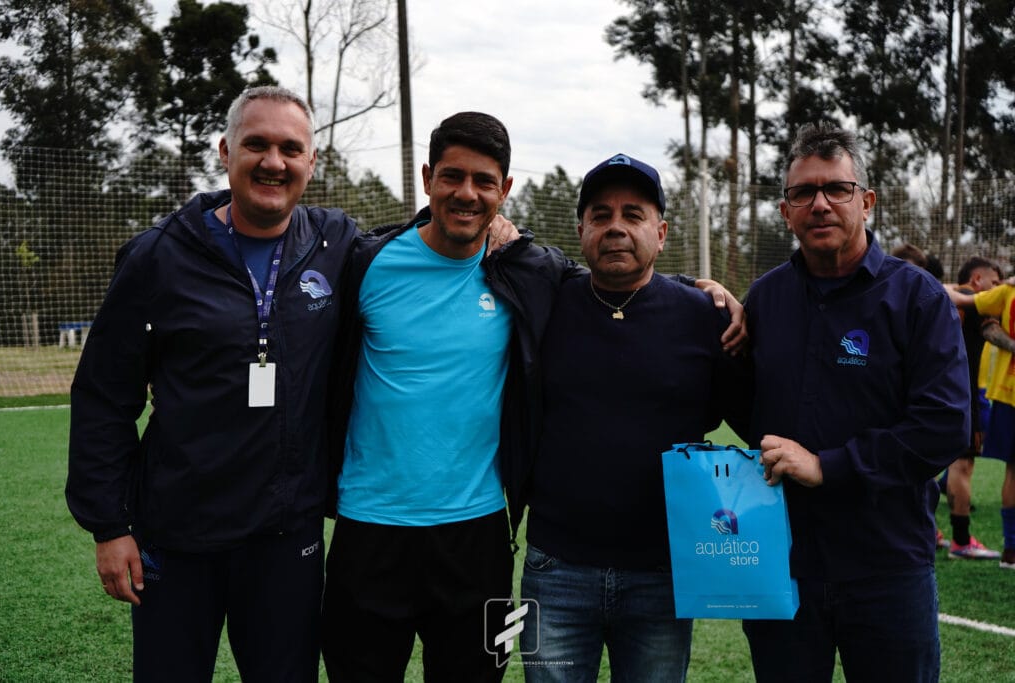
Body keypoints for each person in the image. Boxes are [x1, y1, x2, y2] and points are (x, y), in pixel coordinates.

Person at [320, 114, 746, 680]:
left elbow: (615, 281)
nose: (467, 193)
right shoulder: (366, 262)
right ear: (427, 178)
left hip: (480, 538)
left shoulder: (522, 272)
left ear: (504, 190)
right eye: (452, 176)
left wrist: (702, 290)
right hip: (374, 531)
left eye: (484, 181)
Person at [65, 86, 358, 681]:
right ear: (226, 152)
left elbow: (421, 242)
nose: (273, 162)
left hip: (285, 537)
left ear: (311, 162)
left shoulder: (337, 244)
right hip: (176, 535)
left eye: (290, 149)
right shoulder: (158, 256)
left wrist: (496, 229)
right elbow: (104, 396)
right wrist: (109, 526)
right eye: (256, 145)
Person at [742, 121, 970, 682]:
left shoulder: (917, 299)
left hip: (887, 565)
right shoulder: (765, 300)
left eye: (836, 189)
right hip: (783, 564)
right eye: (804, 192)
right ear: (785, 211)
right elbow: (735, 401)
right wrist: (701, 298)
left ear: (866, 202)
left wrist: (829, 466)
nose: (820, 204)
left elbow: (944, 425)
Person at [518, 153, 750, 681]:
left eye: (633, 214)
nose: (616, 227)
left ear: (661, 233)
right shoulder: (545, 305)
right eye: (600, 215)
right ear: (581, 231)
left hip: (663, 573)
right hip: (556, 569)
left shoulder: (704, 316)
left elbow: (748, 414)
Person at [948, 278, 1015, 569]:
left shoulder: (1006, 291)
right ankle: (968, 541)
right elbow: (958, 297)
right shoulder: (1005, 292)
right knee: (963, 463)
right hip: (990, 394)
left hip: (995, 394)